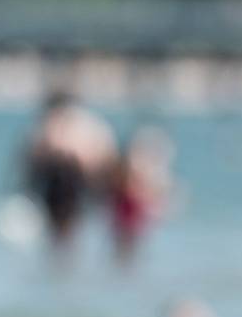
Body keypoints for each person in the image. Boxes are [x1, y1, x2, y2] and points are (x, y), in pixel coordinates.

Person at [20, 90, 117, 259]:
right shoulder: (88, 125)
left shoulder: (49, 125)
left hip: (68, 181)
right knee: (69, 231)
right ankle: (65, 265)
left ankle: (62, 265)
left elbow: (31, 160)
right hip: (69, 182)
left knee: (62, 233)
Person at [109, 125, 174, 272]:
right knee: (127, 243)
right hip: (126, 207)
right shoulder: (128, 167)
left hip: (128, 208)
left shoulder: (127, 166)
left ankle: (125, 270)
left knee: (128, 244)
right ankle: (126, 270)